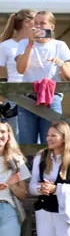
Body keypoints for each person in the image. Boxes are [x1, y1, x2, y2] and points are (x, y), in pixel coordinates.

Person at [15, 11, 70, 145]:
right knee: (27, 144)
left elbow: (69, 77)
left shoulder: (59, 45)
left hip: (52, 97)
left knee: (53, 142)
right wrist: (30, 43)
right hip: (27, 98)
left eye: (42, 23)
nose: (38, 26)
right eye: (36, 23)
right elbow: (21, 69)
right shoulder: (24, 43)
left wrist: (61, 64)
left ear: (51, 26)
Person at [0, 9, 35, 141]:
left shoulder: (39, 44)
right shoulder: (6, 46)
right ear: (27, 23)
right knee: (15, 139)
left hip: (36, 95)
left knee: (37, 139)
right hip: (14, 98)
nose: (39, 24)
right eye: (36, 20)